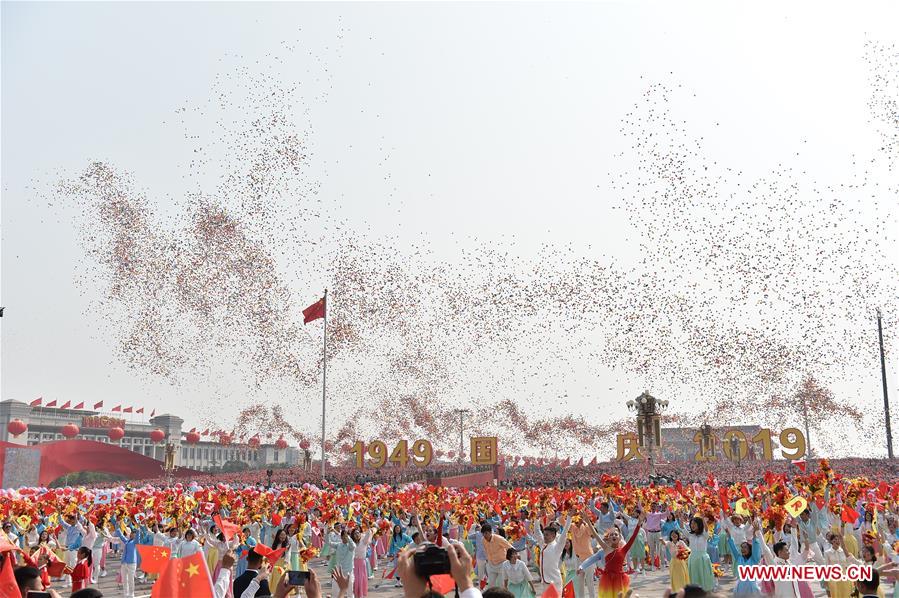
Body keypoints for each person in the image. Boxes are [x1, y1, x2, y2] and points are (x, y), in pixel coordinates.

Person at [529, 512, 573, 594]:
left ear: (553, 535)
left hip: (555, 582)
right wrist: (536, 519)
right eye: (544, 535)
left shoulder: (557, 547)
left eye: (547, 535)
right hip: (545, 582)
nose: (544, 537)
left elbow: (565, 532)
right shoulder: (543, 544)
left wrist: (569, 517)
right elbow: (537, 531)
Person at [686, 517, 715, 592]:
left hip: (703, 558)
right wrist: (681, 517)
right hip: (693, 558)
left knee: (704, 575)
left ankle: (705, 590)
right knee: (694, 575)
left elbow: (706, 530)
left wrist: (703, 520)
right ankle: (695, 591)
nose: (692, 525)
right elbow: (682, 528)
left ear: (699, 524)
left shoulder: (704, 535)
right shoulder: (690, 535)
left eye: (694, 524)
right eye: (691, 524)